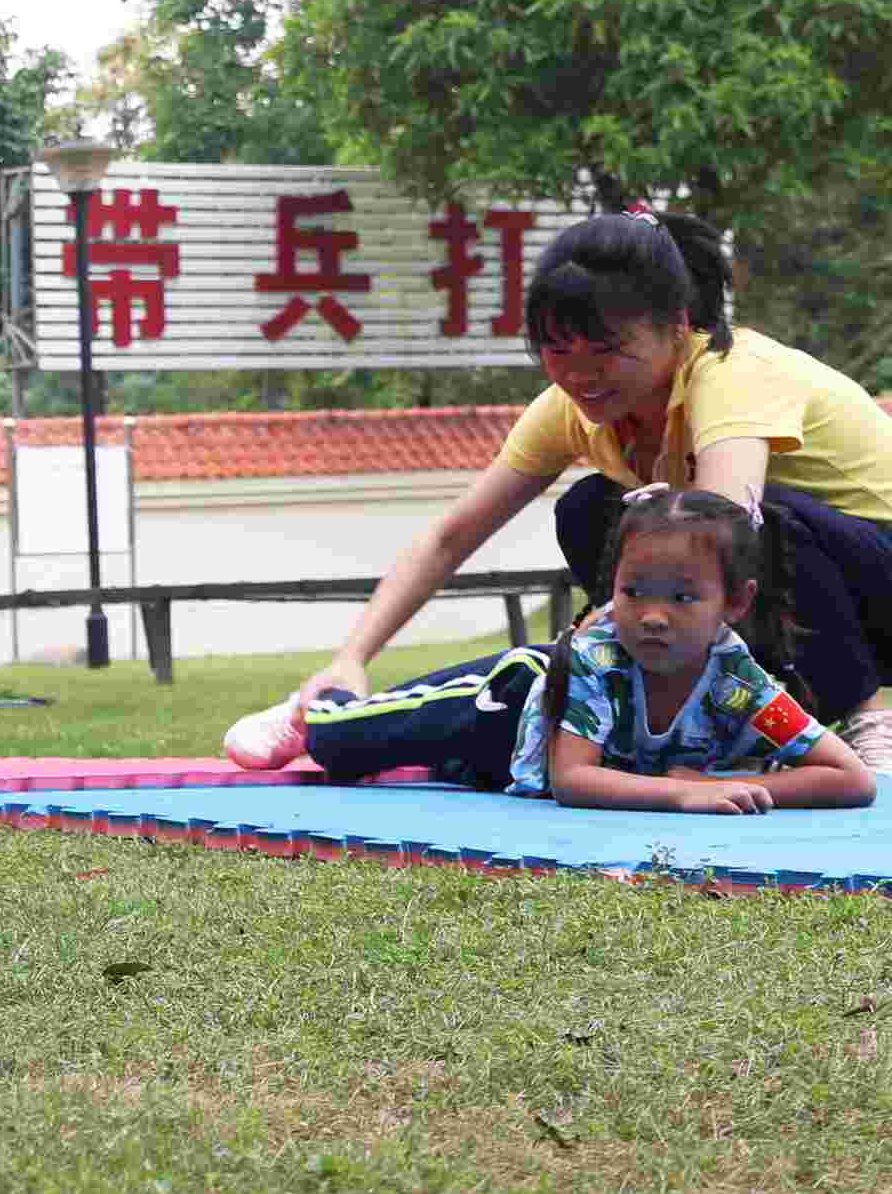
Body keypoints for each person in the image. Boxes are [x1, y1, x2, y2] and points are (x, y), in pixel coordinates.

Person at [229, 209, 892, 775]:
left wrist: (593, 633)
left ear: (674, 326)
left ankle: (864, 720)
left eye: (605, 350)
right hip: (777, 594)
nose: (580, 375)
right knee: (592, 511)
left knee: (731, 525)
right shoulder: (571, 406)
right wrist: (350, 659)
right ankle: (708, 719)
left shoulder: (733, 371)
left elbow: (728, 523)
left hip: (873, 589)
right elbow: (452, 535)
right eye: (555, 350)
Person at [299, 487, 871, 812]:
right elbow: (574, 780)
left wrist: (720, 787)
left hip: (506, 769)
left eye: (683, 596)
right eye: (632, 591)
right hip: (500, 704)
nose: (652, 614)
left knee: (453, 773)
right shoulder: (600, 658)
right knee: (338, 743)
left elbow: (851, 778)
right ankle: (320, 700)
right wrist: (681, 795)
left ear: (736, 602)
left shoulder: (738, 679)